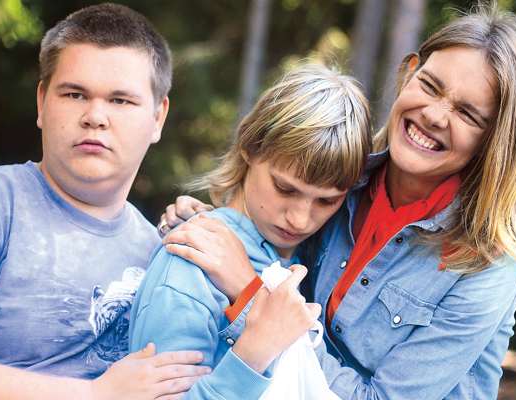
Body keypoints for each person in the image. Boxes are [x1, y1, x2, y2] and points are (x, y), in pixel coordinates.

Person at [159, 4, 516, 399]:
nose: (434, 115)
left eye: (467, 113)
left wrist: (250, 291)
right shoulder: (341, 184)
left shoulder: (485, 264)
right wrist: (208, 226)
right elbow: (265, 241)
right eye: (430, 86)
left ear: (498, 140)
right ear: (407, 73)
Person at [0, 4, 211, 399]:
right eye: (75, 94)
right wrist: (95, 395)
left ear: (158, 117)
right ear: (42, 102)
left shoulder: (163, 253)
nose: (95, 116)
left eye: (121, 101)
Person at [129, 65, 373, 399]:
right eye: (284, 188)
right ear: (249, 148)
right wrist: (253, 356)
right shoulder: (192, 261)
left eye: (327, 201)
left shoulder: (314, 256)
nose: (300, 220)